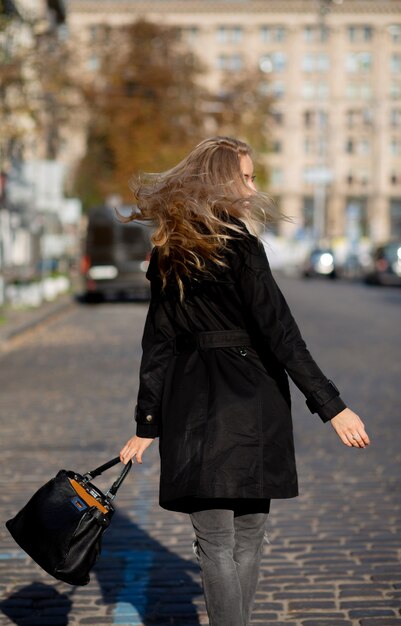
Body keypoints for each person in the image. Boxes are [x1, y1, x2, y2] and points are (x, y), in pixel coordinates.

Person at [119, 136, 370, 626]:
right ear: (221, 181)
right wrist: (332, 405)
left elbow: (158, 344)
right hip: (252, 398)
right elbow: (281, 333)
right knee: (248, 537)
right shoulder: (242, 246)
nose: (254, 187)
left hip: (190, 401)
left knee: (215, 542)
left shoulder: (170, 250)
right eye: (247, 177)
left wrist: (147, 422)